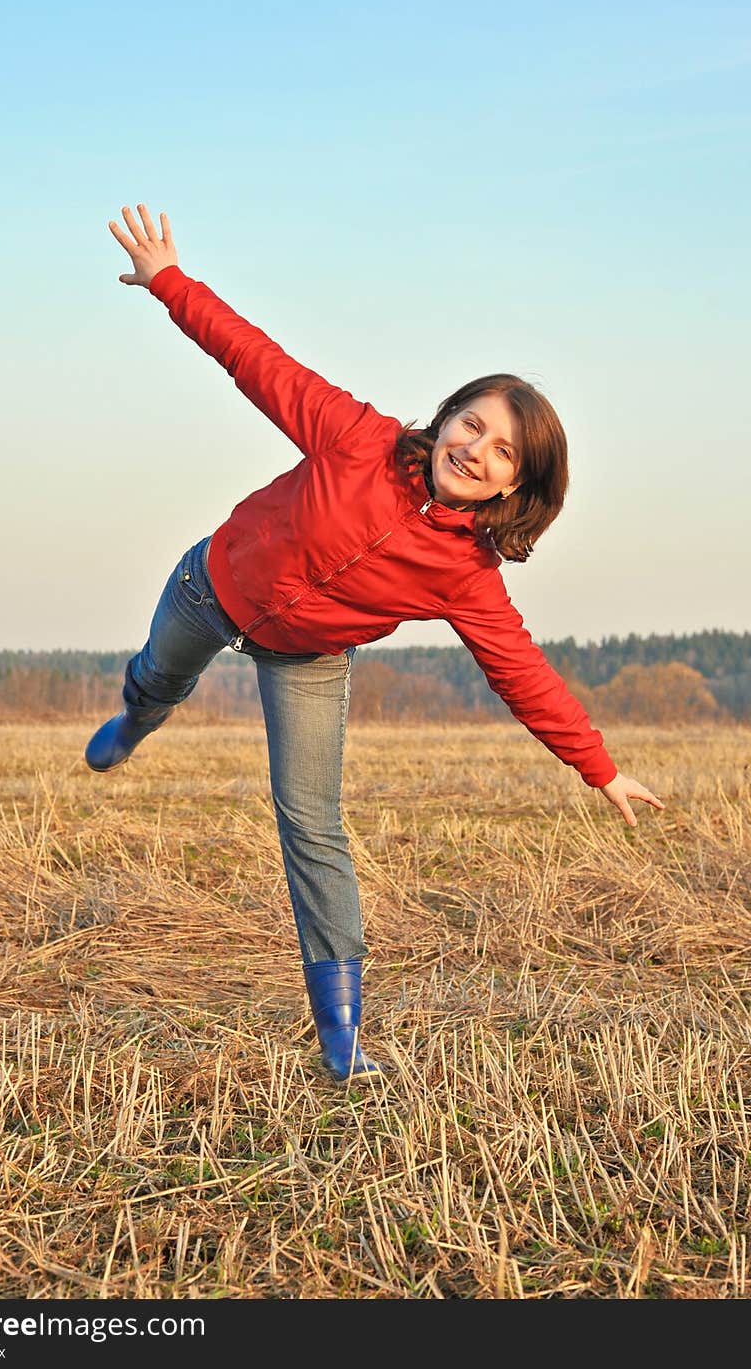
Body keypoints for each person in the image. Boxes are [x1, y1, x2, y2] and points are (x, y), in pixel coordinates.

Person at [85, 203, 665, 1082]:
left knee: (312, 823)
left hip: (309, 658)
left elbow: (522, 674)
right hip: (211, 587)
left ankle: (342, 1039)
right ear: (448, 417)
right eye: (473, 424)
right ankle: (137, 717)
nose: (476, 449)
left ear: (517, 485)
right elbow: (257, 360)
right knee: (159, 675)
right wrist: (169, 280)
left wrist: (600, 766)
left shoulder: (465, 573)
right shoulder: (355, 436)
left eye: (503, 451)